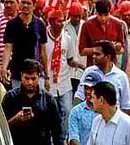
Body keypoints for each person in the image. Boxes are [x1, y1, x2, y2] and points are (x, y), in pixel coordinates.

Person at [2, 59, 63, 145]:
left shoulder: (48, 99)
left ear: (38, 77)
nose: (30, 82)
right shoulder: (10, 97)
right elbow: (1, 128)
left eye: (33, 79)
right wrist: (16, 119)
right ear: (21, 76)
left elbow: (56, 130)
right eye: (26, 78)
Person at [46, 8, 82, 142]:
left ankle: (63, 139)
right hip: (48, 82)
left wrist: (80, 66)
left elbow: (70, 59)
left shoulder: (67, 38)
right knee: (51, 112)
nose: (61, 24)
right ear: (51, 22)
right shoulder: (43, 38)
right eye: (58, 21)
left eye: (62, 21)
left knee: (67, 110)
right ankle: (51, 139)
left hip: (64, 81)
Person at [4, 0, 49, 89]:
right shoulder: (12, 24)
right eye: (23, 2)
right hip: (17, 72)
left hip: (35, 73)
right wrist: (4, 68)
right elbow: (8, 48)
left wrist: (46, 75)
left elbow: (43, 51)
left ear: (34, 5)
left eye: (28, 3)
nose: (25, 5)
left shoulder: (40, 24)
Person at [74, 41, 130, 111]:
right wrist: (76, 113)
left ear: (108, 57)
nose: (93, 56)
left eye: (97, 54)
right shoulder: (89, 71)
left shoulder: (121, 76)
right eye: (93, 53)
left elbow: (126, 105)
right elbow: (79, 96)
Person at [79, 1, 125, 67]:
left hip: (111, 67)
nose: (103, 18)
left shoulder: (117, 24)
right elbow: (81, 51)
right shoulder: (87, 25)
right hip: (93, 67)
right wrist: (96, 50)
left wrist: (115, 48)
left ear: (110, 13)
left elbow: (122, 49)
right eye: (100, 15)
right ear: (96, 13)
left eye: (106, 15)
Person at [89, 80, 130, 145]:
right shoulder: (96, 121)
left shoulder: (127, 124)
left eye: (93, 97)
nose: (91, 101)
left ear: (101, 100)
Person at [70, 69, 104, 145]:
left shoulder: (105, 111)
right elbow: (73, 138)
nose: (88, 91)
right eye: (86, 88)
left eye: (91, 88)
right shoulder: (76, 111)